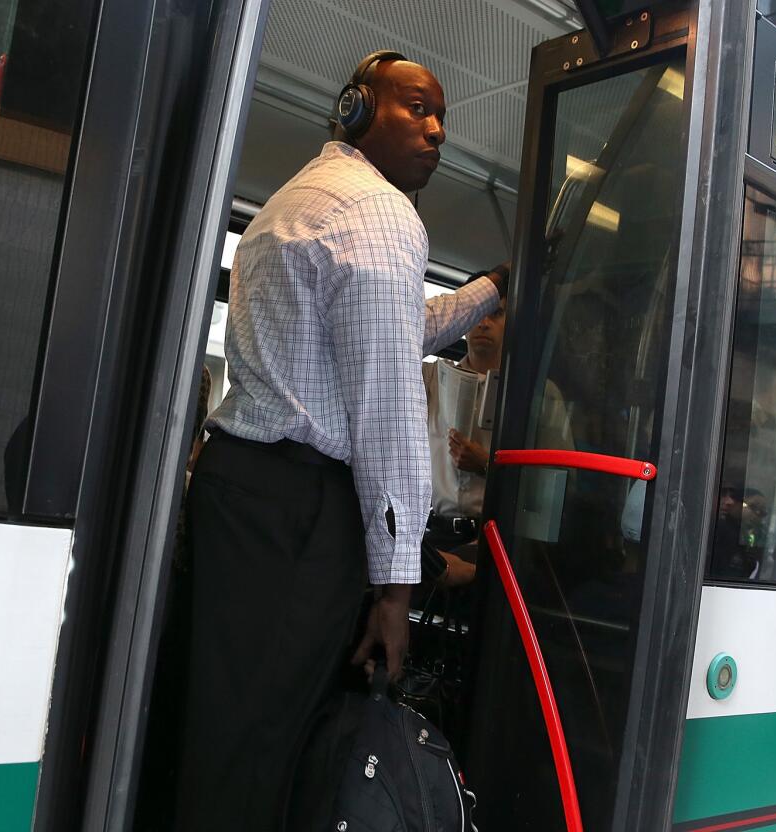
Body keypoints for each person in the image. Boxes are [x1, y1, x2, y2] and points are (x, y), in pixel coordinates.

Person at [176, 51, 506, 830]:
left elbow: (393, 332)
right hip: (297, 509)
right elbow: (389, 402)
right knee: (262, 741)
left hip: (244, 488)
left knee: (224, 726)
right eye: (417, 108)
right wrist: (397, 589)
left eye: (442, 118)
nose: (436, 132)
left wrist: (492, 285)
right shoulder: (382, 213)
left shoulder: (302, 198)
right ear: (356, 108)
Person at [420, 276, 507, 587]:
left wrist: (487, 465)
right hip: (434, 532)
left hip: (494, 538)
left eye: (495, 314)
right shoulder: (430, 378)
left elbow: (550, 482)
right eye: (475, 314)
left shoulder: (536, 393)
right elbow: (392, 346)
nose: (483, 323)